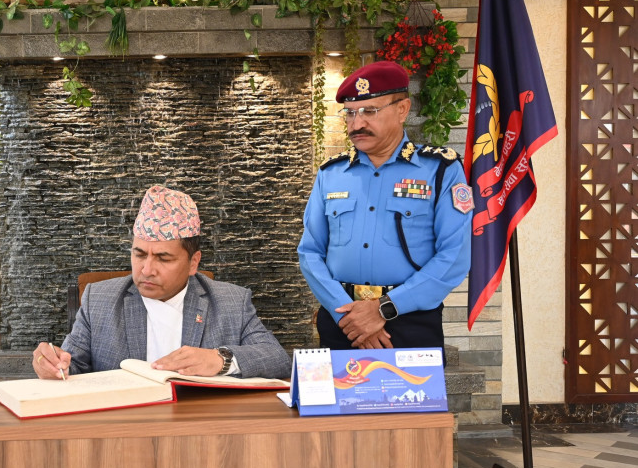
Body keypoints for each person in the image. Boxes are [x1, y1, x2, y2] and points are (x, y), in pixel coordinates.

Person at [298, 61, 472, 352]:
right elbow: (310, 252)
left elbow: (454, 255)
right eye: (350, 113)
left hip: (410, 322)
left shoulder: (440, 170)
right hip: (343, 322)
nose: (357, 124)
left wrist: (383, 309)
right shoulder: (331, 173)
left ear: (402, 109)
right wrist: (348, 316)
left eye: (370, 111)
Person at [32, 185, 292, 380]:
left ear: (193, 262)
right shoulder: (98, 300)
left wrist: (220, 360)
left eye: (163, 258)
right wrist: (53, 364)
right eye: (139, 255)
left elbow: (278, 359)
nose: (147, 270)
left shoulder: (231, 302)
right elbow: (72, 366)